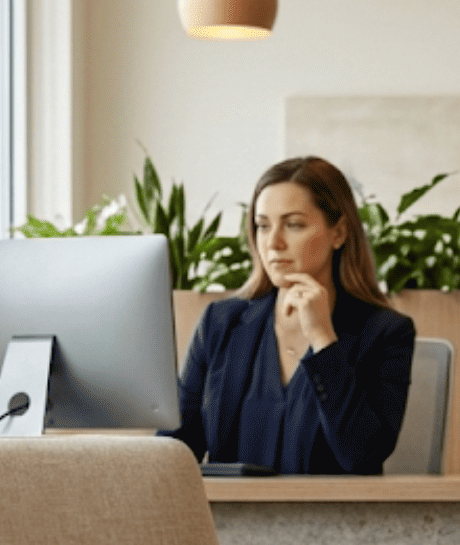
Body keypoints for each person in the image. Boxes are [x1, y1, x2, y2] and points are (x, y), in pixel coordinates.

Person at [166, 156, 415, 474]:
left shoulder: (386, 332)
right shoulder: (220, 323)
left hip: (333, 521)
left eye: (294, 224)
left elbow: (362, 456)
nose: (273, 242)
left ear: (338, 233)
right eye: (263, 225)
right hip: (230, 520)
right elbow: (174, 450)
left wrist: (323, 339)